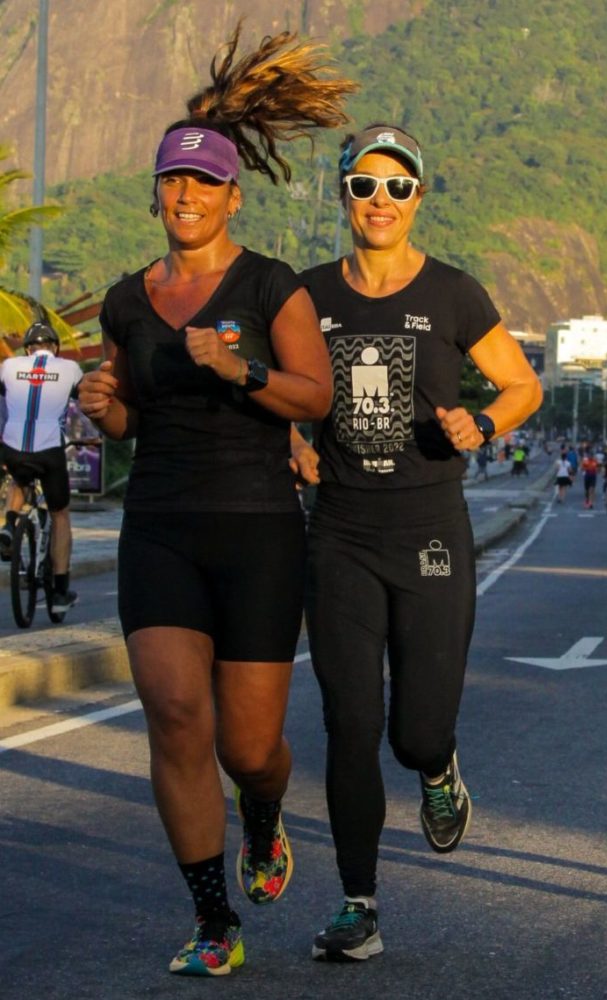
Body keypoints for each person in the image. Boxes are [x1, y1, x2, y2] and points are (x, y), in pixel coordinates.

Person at [77, 26, 349, 977]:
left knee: (249, 742)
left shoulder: (269, 284)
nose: (185, 197)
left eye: (203, 183)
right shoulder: (127, 300)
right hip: (159, 524)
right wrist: (105, 404)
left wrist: (240, 368)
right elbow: (121, 419)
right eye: (171, 182)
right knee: (175, 717)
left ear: (234, 194)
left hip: (259, 528)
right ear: (156, 191)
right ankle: (213, 919)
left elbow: (315, 396)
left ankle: (264, 813)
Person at [294, 122, 542, 962]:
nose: (381, 201)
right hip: (341, 536)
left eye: (398, 187)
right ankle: (358, 904)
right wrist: (294, 439)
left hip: (431, 532)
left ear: (418, 199)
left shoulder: (453, 293)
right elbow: (286, 393)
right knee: (348, 722)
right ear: (344, 195)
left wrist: (481, 421)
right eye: (365, 185)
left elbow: (522, 385)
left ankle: (439, 771)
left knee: (415, 733)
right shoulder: (308, 293)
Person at [0, 322, 83, 612]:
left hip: (13, 446)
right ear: (55, 348)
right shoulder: (69, 367)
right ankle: (60, 593)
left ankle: (9, 526)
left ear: (27, 349)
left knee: (19, 478)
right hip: (50, 450)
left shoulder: (9, 365)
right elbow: (83, 397)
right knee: (60, 515)